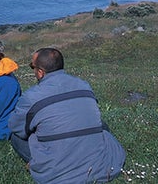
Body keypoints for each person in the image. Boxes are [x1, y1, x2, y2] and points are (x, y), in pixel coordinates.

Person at [8, 48, 126, 183]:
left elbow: (17, 128)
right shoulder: (84, 85)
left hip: (59, 172)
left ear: (40, 72)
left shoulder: (31, 96)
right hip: (102, 166)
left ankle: (36, 163)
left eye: (32, 67)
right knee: (100, 125)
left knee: (16, 137)